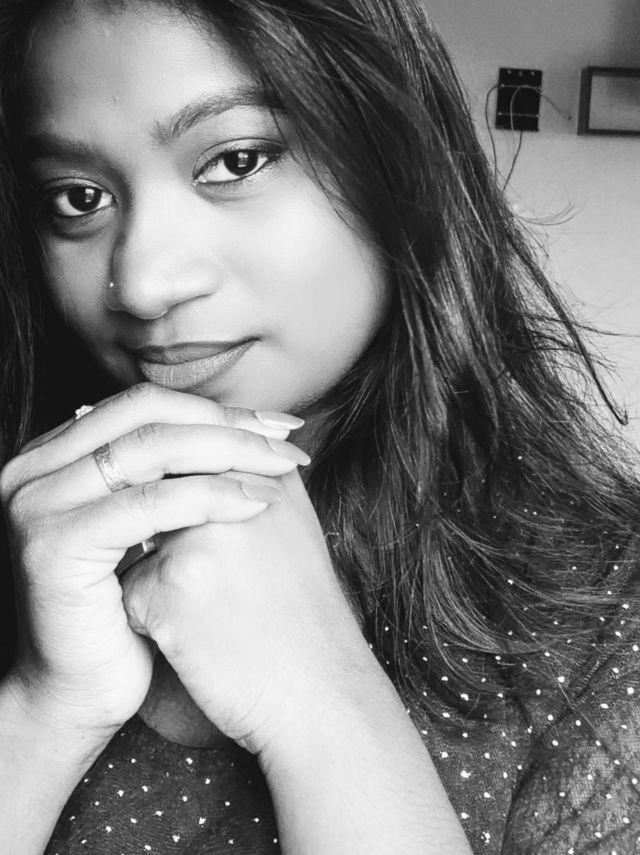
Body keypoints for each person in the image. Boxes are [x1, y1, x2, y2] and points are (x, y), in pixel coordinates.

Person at [0, 0, 639, 852]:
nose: (144, 284)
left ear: (397, 163)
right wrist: (44, 707)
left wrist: (323, 699)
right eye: (79, 198)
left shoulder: (608, 613)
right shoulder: (32, 541)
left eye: (236, 160)